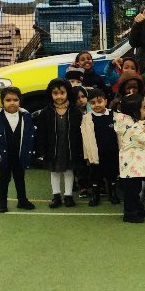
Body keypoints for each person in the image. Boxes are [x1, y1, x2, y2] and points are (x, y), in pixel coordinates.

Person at [0, 87, 36, 213]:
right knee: (4, 180)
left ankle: (22, 200)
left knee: (20, 178)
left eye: (15, 100)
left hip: (19, 155)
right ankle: (2, 203)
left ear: (20, 102)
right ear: (2, 102)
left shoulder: (25, 116)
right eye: (8, 100)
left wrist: (32, 152)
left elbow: (30, 135)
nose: (12, 102)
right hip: (3, 156)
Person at [34, 78, 84, 208]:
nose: (59, 96)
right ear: (50, 94)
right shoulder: (46, 112)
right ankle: (56, 196)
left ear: (68, 93)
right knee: (54, 171)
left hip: (70, 148)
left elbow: (81, 132)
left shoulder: (75, 111)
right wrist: (41, 150)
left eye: (62, 93)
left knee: (68, 171)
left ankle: (68, 196)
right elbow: (41, 132)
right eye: (55, 93)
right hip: (52, 148)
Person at [114, 93, 145, 223]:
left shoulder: (132, 122)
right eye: (143, 108)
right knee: (131, 191)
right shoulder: (132, 126)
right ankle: (130, 213)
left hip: (133, 164)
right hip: (131, 164)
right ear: (134, 112)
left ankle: (138, 208)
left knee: (135, 189)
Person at [81, 88, 120, 206]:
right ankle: (95, 196)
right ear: (89, 104)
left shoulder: (114, 116)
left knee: (112, 175)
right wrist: (87, 155)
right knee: (95, 176)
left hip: (112, 152)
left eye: (99, 102)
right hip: (95, 153)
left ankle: (113, 194)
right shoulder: (87, 118)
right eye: (92, 103)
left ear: (106, 101)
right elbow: (85, 139)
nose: (96, 105)